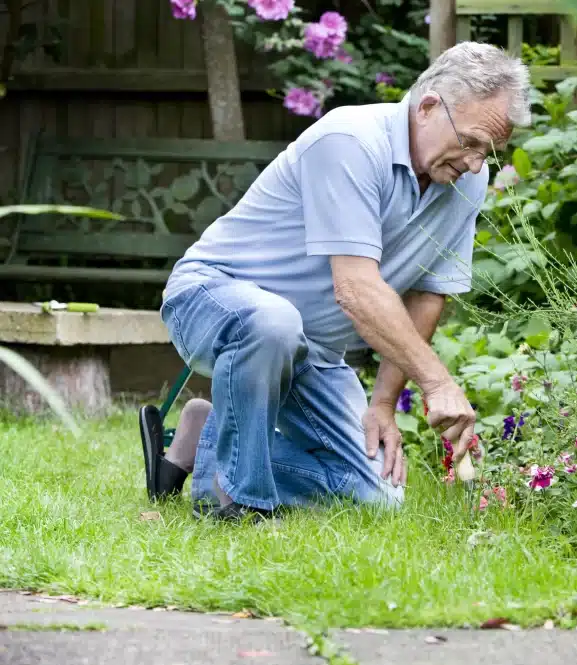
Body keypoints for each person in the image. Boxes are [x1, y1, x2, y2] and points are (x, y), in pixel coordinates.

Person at [138, 42, 532, 521]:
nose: (476, 164)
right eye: (470, 142)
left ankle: (203, 440)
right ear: (428, 106)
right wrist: (437, 383)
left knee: (377, 498)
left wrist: (384, 403)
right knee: (273, 321)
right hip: (211, 298)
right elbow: (356, 289)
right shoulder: (350, 140)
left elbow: (428, 292)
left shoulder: (464, 179)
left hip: (314, 349)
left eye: (489, 152)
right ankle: (241, 503)